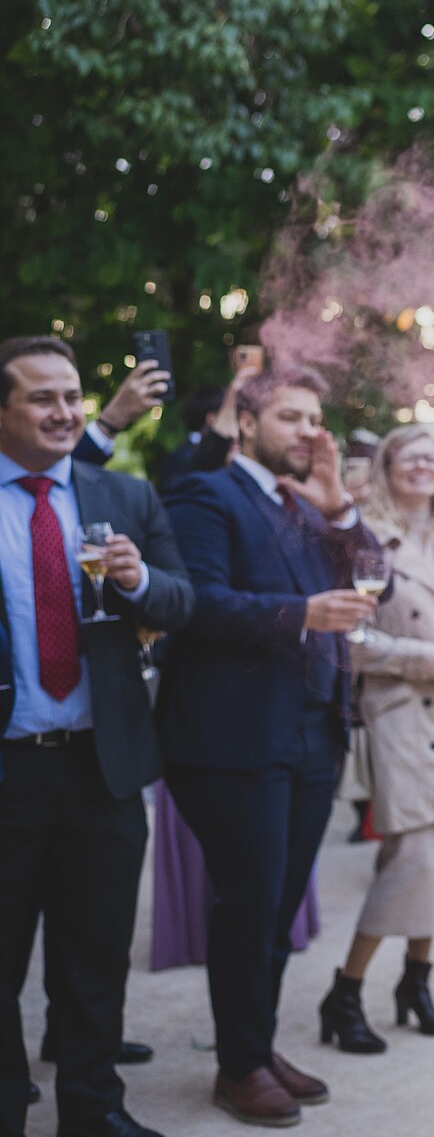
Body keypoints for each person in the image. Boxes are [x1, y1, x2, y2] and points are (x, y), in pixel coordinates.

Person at [158, 367, 384, 1126]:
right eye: (289, 416)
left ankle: (254, 1045)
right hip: (233, 737)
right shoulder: (206, 495)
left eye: (315, 418)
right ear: (246, 423)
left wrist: (340, 507)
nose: (307, 431)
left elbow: (381, 571)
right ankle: (238, 1066)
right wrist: (302, 613)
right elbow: (197, 602)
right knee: (250, 903)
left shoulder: (310, 504)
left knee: (281, 904)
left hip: (312, 730)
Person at [0, 336, 194, 1137]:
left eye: (73, 395)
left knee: (95, 960)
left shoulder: (124, 494)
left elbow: (184, 602)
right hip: (8, 772)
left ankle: (93, 1110)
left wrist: (137, 581)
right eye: (42, 397)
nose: (65, 411)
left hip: (102, 771)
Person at [320, 426, 434, 1053]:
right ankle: (344, 990)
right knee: (411, 858)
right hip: (401, 712)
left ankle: (415, 984)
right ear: (389, 467)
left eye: (433, 457)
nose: (423, 467)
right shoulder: (367, 540)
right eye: (409, 457)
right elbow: (351, 641)